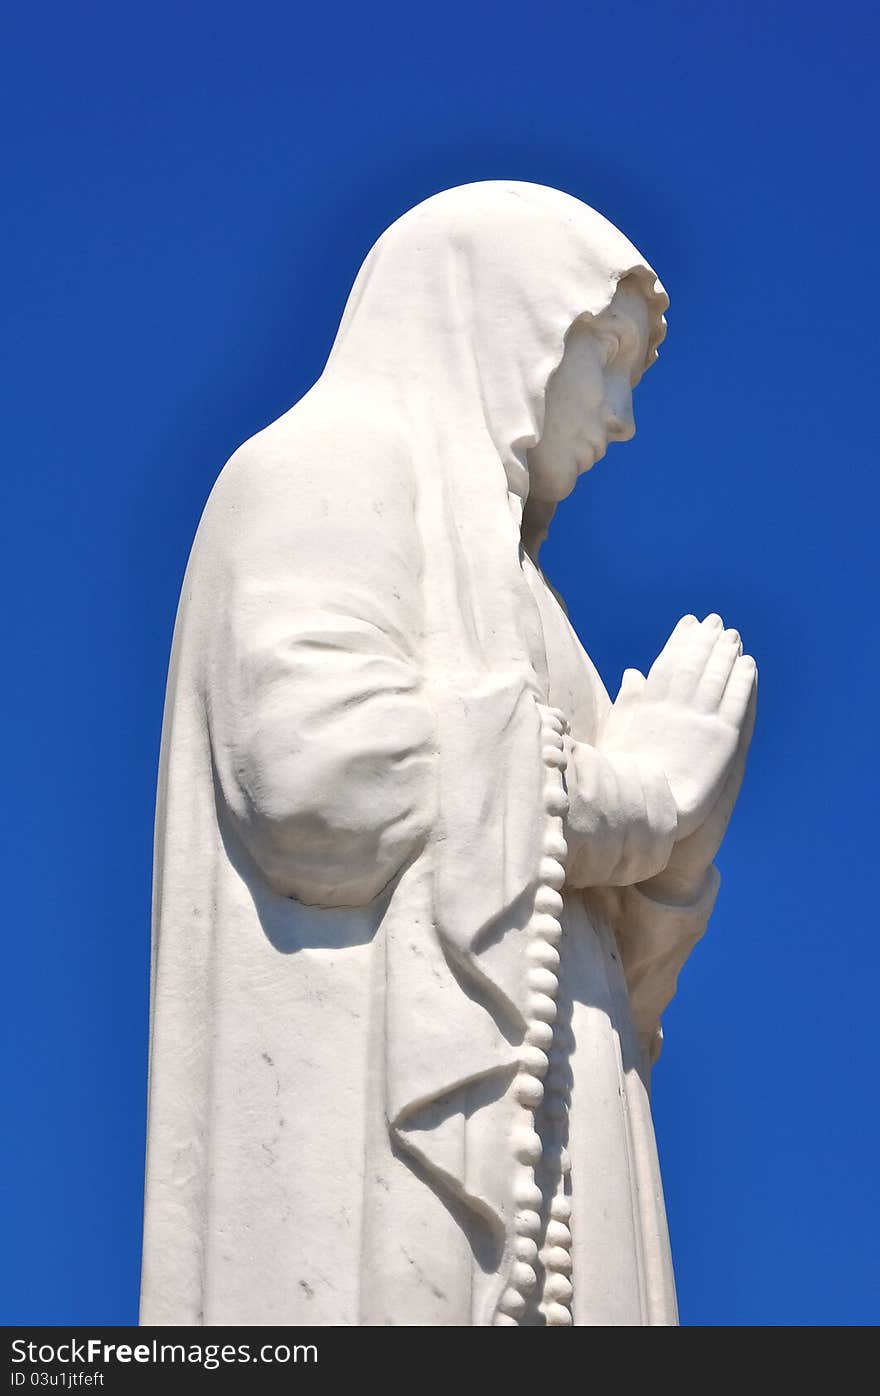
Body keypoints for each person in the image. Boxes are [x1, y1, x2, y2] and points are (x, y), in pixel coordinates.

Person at [140, 181, 756, 1327]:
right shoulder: (322, 468)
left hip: (568, 1176)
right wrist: (643, 799)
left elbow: (618, 979)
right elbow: (319, 772)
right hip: (367, 1155)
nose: (620, 413)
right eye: (606, 353)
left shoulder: (532, 608)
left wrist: (677, 848)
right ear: (503, 317)